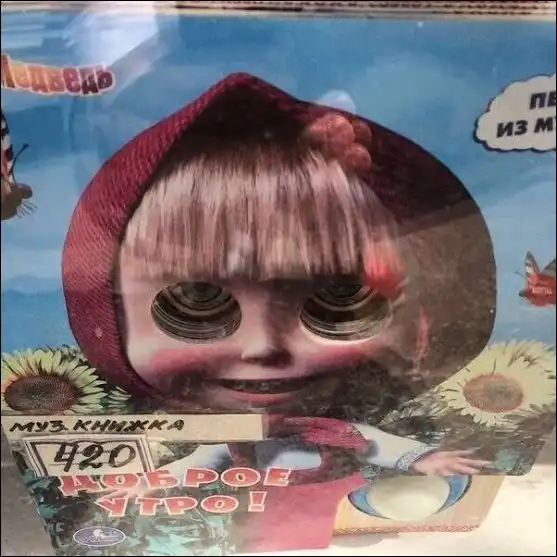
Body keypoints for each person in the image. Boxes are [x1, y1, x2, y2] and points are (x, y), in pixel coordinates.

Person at [62, 73, 497, 551]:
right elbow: (197, 463)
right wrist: (150, 483)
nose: (263, 348)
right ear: (112, 315)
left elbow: (376, 442)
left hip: (335, 506)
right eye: (196, 303)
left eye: (339, 302)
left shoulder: (336, 428)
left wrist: (421, 461)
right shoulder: (222, 438)